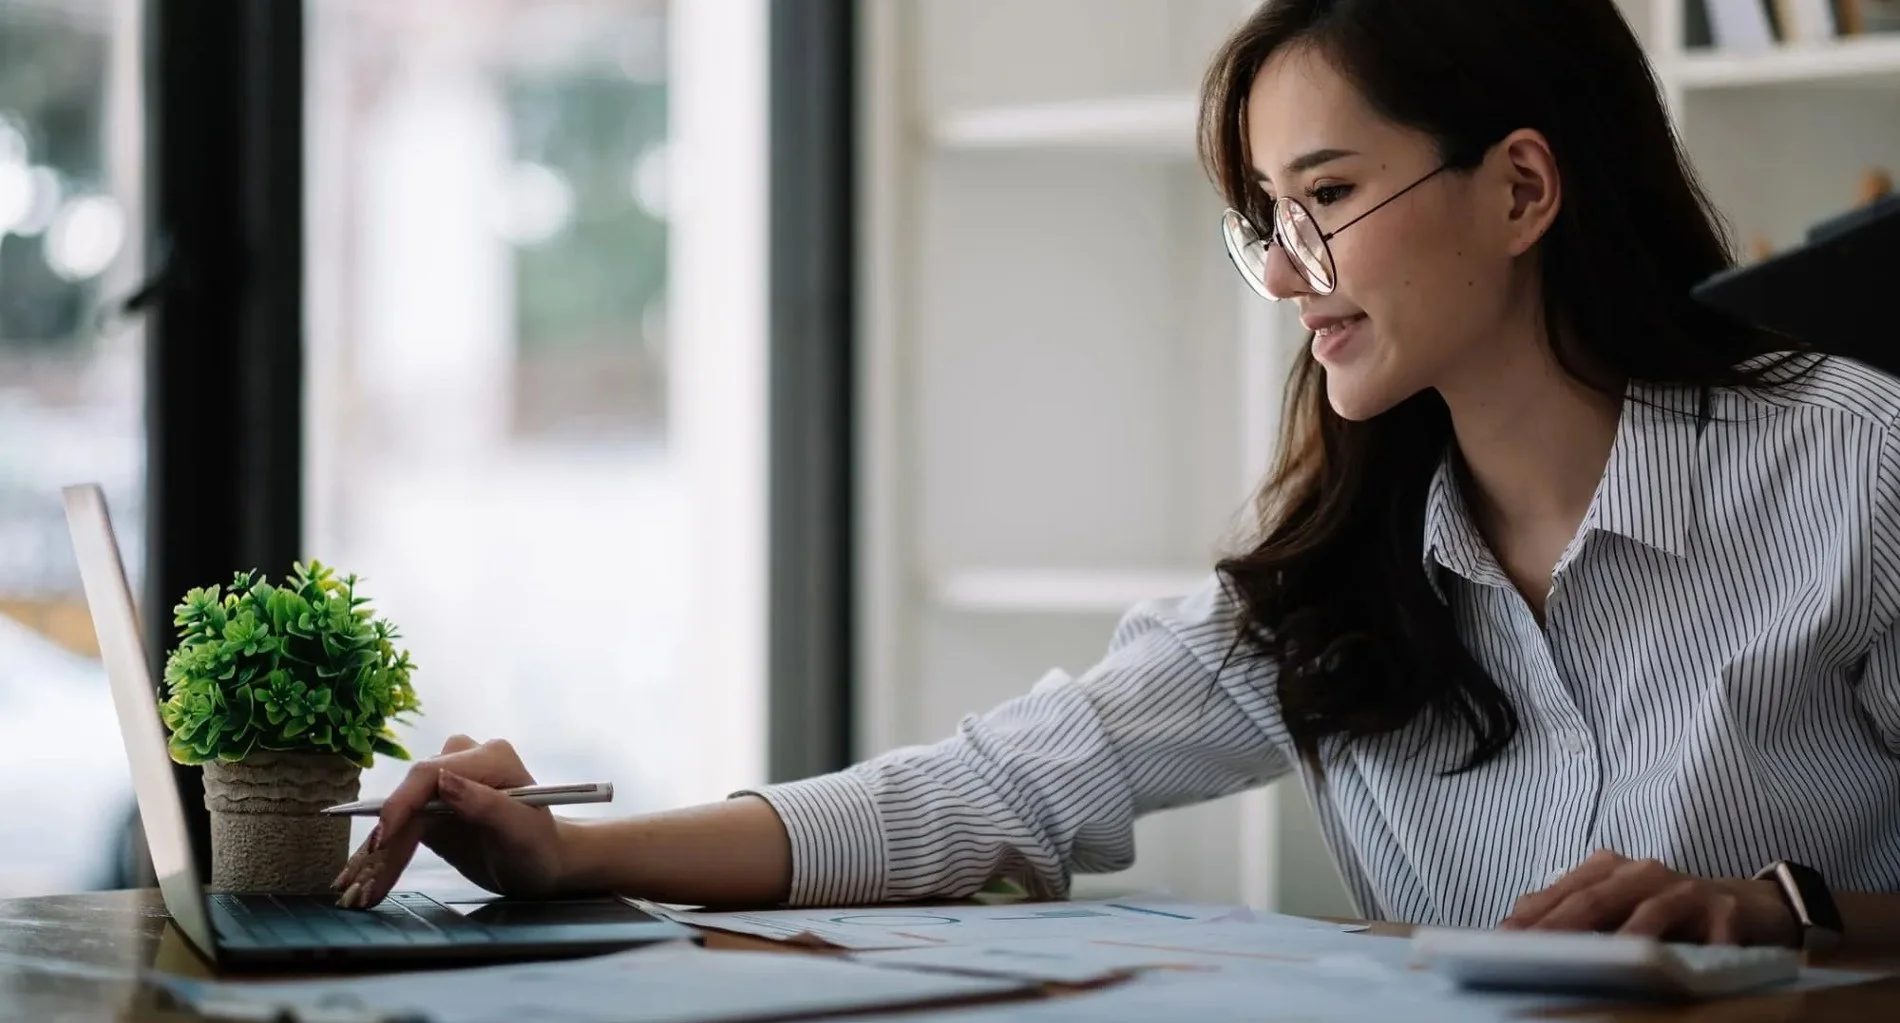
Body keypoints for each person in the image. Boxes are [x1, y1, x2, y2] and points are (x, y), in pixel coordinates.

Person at [333, 0, 1900, 948]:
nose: (1289, 274)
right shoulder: (1342, 576)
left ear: (1522, 187)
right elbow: (990, 791)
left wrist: (1784, 911)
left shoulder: (1855, 470)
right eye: (1265, 220)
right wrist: (573, 852)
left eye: (1329, 197)